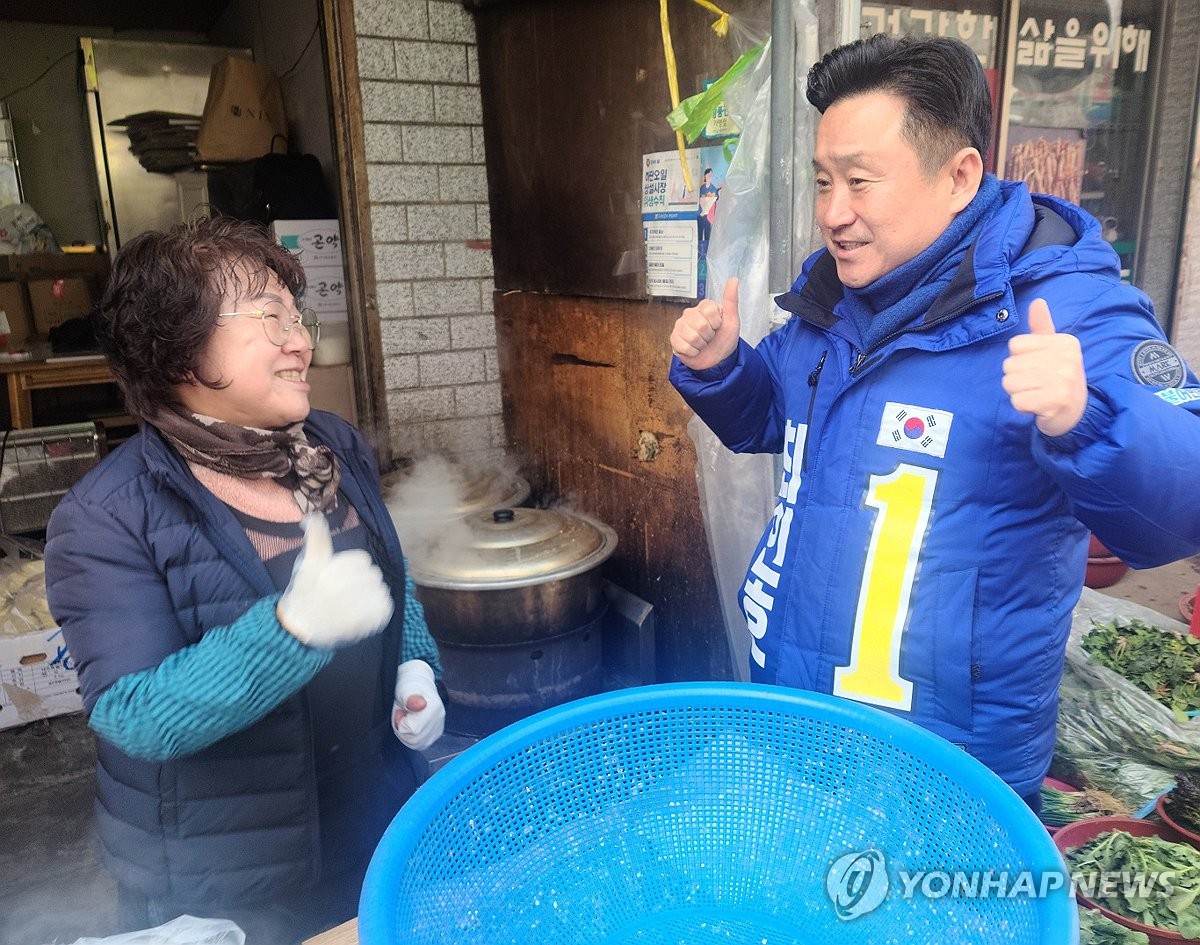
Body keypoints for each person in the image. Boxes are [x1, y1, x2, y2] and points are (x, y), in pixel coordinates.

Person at [668, 34, 1200, 809]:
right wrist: (722, 367)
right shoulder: (832, 302)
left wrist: (1087, 417)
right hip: (805, 724)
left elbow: (1184, 502)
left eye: (859, 181)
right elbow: (774, 423)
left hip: (946, 772)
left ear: (959, 176)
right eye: (822, 182)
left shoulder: (1069, 309)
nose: (833, 213)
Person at [44, 216, 446, 944]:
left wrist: (413, 661)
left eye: (297, 316)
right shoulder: (106, 516)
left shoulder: (331, 445)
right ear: (176, 351)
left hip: (374, 824)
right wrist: (292, 630)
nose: (300, 340)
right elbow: (136, 713)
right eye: (269, 318)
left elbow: (388, 574)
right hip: (231, 880)